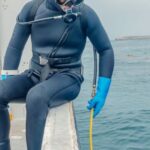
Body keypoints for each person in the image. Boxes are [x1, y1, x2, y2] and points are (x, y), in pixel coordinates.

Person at [0, 0, 114, 149]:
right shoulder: (32, 9)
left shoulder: (85, 14)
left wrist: (102, 93)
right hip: (35, 73)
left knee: (36, 97)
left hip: (68, 77)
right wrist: (7, 80)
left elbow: (106, 50)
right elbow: (15, 47)